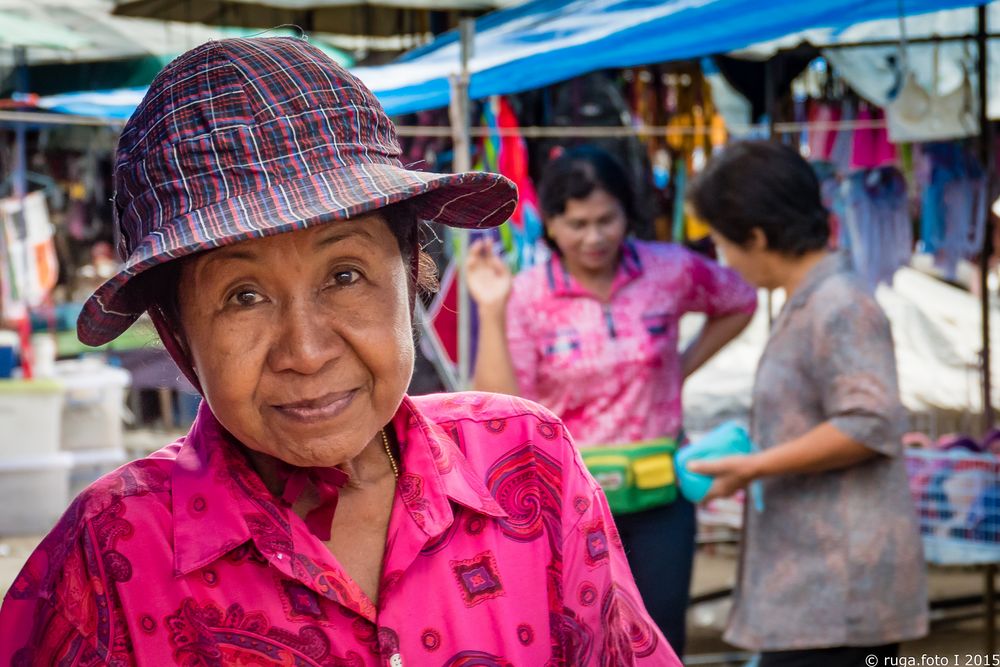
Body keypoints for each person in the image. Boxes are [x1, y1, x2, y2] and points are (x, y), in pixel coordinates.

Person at [0, 38, 682, 666]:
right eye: (243, 295)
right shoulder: (107, 556)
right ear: (178, 332)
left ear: (411, 269)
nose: (306, 349)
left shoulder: (531, 468)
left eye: (345, 275)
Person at [466, 145, 757, 653]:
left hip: (660, 495)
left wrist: (678, 368)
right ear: (551, 224)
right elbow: (496, 404)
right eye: (577, 223)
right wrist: (491, 311)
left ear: (628, 214)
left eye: (607, 220)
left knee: (662, 633)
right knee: (581, 640)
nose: (595, 237)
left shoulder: (669, 270)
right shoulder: (527, 296)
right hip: (565, 502)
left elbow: (741, 299)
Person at [686, 140, 928, 667]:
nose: (724, 258)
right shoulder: (811, 299)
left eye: (724, 243)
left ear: (756, 236)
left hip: (841, 593)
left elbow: (869, 421)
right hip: (814, 588)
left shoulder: (839, 303)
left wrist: (754, 465)